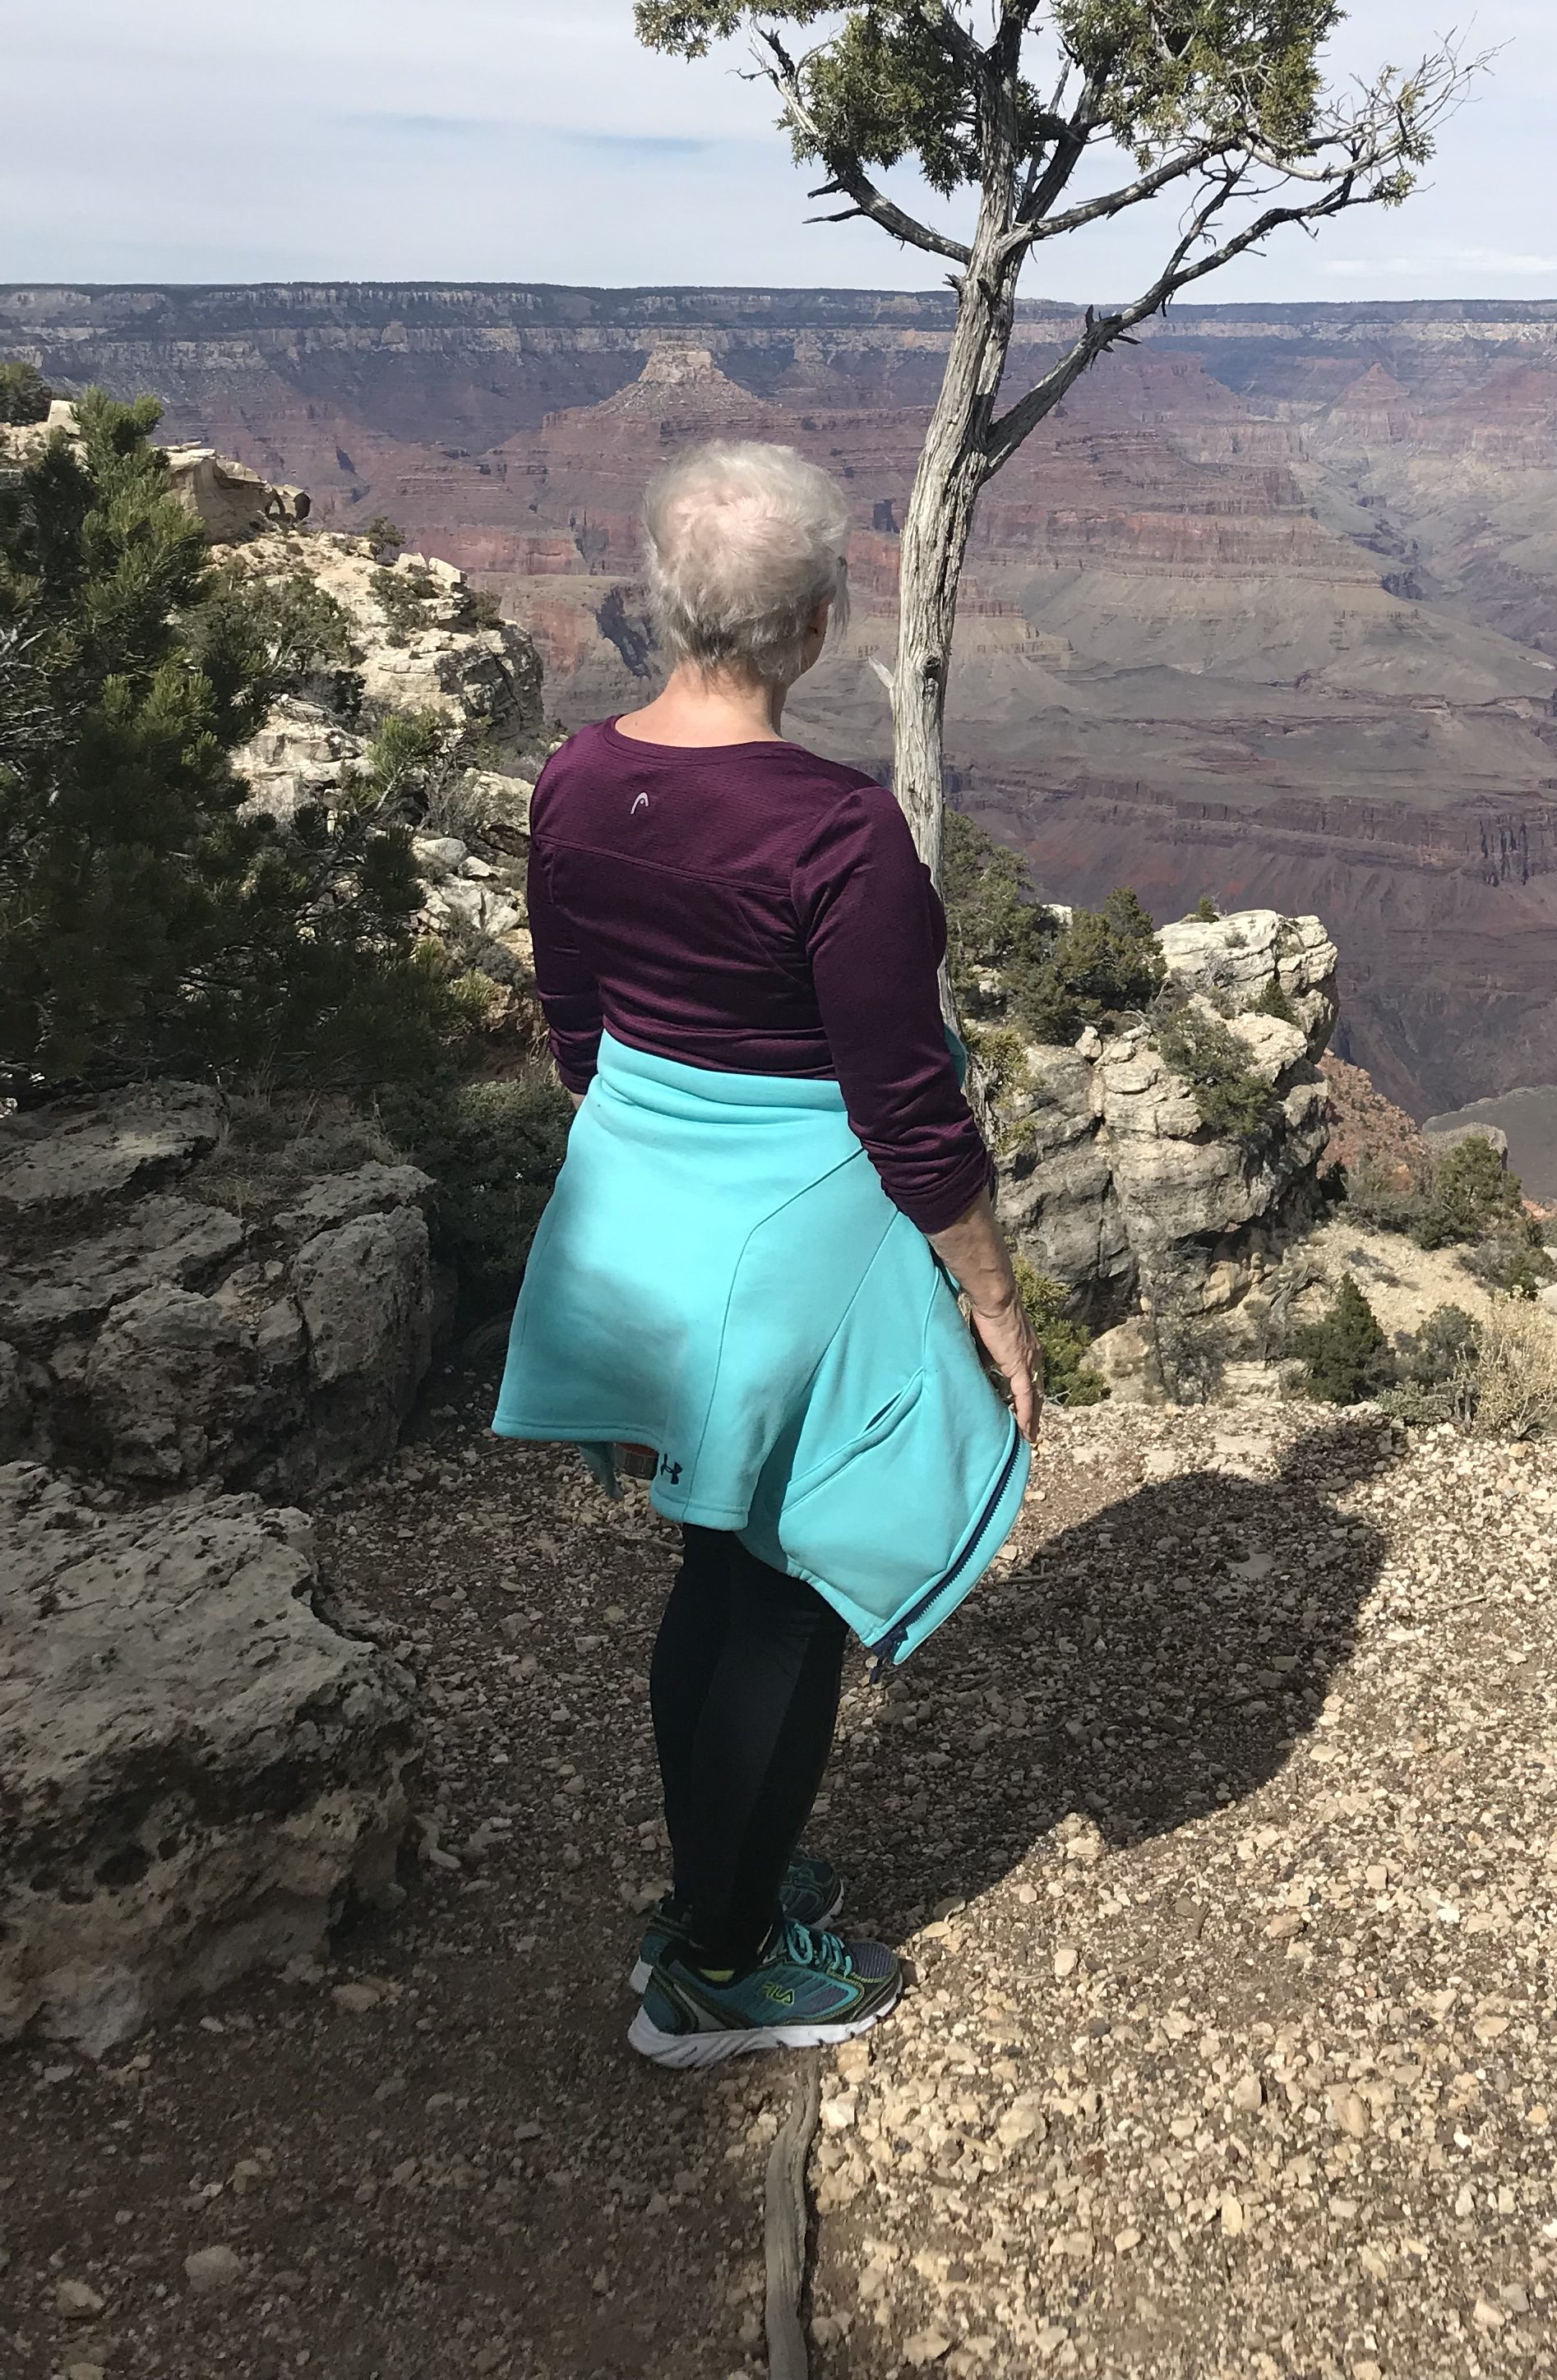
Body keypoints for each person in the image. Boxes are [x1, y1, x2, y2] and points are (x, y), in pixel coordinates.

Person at [492, 438, 1042, 2068]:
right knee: (791, 1583)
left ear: (659, 605)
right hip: (792, 1236)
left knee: (715, 1566)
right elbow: (909, 1107)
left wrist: (648, 1182)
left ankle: (714, 1889)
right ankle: (725, 1969)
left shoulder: (577, 779)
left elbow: (575, 1031)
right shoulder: (842, 832)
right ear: (815, 625)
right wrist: (990, 1295)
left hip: (639, 1207)